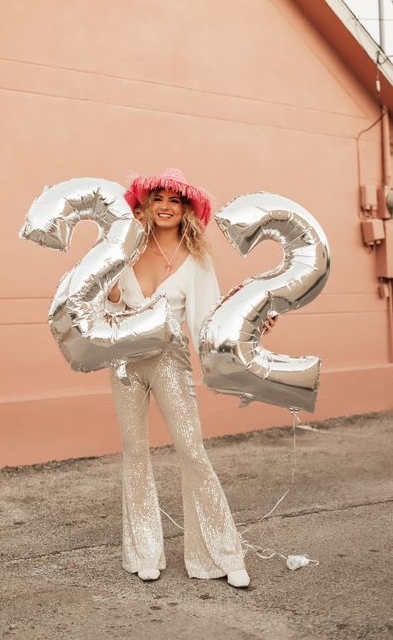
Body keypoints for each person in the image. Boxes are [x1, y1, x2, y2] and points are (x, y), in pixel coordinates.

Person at [106, 169, 276, 588]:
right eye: (158, 198)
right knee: (134, 451)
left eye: (174, 200)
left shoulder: (196, 260)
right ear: (145, 205)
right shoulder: (125, 247)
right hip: (124, 360)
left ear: (186, 210)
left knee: (192, 451)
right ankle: (144, 550)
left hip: (168, 360)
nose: (165, 205)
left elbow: (207, 321)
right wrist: (107, 279)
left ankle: (220, 554)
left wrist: (248, 325)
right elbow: (102, 300)